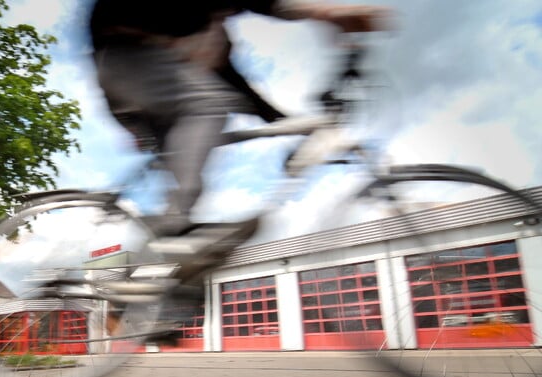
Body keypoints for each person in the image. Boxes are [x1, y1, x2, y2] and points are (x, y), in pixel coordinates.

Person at [89, 1, 392, 276]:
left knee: (200, 139)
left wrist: (295, 124)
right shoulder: (190, 20)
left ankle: (165, 295)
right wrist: (325, 14)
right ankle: (175, 231)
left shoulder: (216, 41)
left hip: (148, 91)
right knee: (207, 106)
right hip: (123, 54)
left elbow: (244, 96)